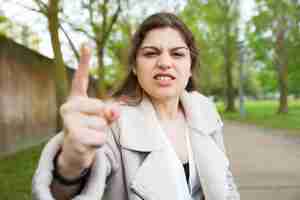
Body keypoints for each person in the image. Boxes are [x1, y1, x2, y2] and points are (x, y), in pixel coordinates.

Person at [32, 12, 240, 200]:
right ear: (134, 66)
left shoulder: (205, 111)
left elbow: (226, 181)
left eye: (177, 54)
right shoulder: (113, 122)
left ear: (190, 66)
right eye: (151, 53)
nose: (165, 62)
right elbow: (66, 193)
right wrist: (71, 164)